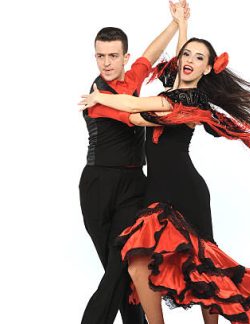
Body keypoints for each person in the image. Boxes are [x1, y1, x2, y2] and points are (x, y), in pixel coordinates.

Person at [79, 27, 250, 324]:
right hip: (155, 192)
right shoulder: (173, 88)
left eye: (199, 58)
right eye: (186, 55)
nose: (189, 60)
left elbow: (132, 107)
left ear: (207, 68)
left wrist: (97, 98)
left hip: (186, 189)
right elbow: (166, 65)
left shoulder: (189, 99)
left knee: (205, 267)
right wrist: (180, 26)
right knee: (138, 267)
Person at [79, 2, 190, 324]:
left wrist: (175, 23)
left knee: (121, 266)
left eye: (113, 56)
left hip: (133, 188)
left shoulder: (130, 80)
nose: (106, 63)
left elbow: (150, 55)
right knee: (119, 274)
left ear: (124, 57)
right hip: (98, 186)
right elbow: (137, 116)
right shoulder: (96, 97)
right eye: (100, 56)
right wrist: (174, 109)